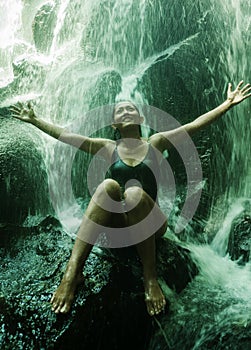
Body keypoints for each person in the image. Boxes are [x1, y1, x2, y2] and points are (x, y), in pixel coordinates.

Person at [10, 80, 251, 316]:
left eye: (130, 109)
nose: (125, 112)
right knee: (108, 186)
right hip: (119, 224)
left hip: (151, 222)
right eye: (120, 111)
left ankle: (150, 280)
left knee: (134, 193)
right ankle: (72, 274)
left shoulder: (155, 143)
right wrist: (35, 120)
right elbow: (68, 137)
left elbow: (192, 126)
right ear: (114, 124)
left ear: (140, 119)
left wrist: (227, 104)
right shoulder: (107, 147)